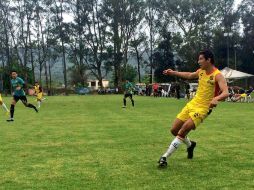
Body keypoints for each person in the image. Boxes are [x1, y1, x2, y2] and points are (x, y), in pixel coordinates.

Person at [158, 49, 229, 167]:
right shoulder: (201, 71)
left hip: (203, 109)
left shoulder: (218, 75)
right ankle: (190, 145)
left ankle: (164, 157)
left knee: (184, 129)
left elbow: (226, 92)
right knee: (174, 130)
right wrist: (173, 72)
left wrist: (216, 99)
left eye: (201, 59)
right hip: (192, 104)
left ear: (209, 60)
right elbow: (190, 75)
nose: (198, 61)